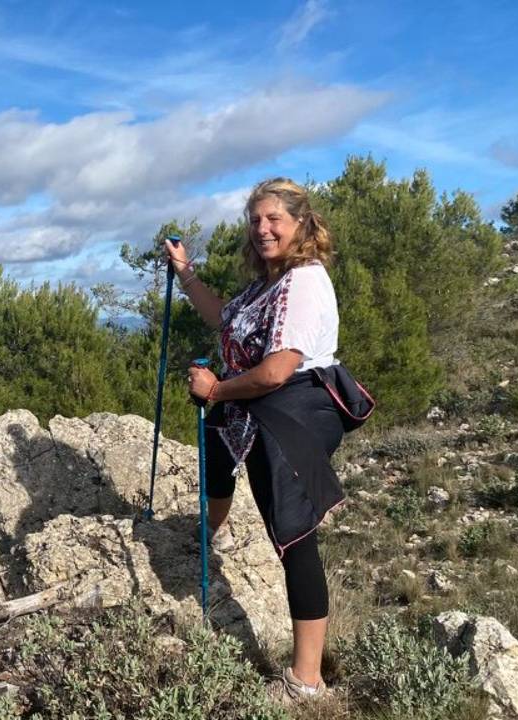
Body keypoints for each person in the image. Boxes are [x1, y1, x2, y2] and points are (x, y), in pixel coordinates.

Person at [164, 177, 366, 704]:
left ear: (301, 222)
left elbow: (277, 370)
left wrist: (216, 389)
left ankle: (307, 680)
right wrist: (186, 274)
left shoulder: (302, 283)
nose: (262, 228)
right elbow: (223, 318)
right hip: (258, 403)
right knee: (216, 443)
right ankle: (217, 529)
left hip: (292, 412)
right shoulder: (268, 283)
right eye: (256, 220)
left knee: (294, 535)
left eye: (274, 218)